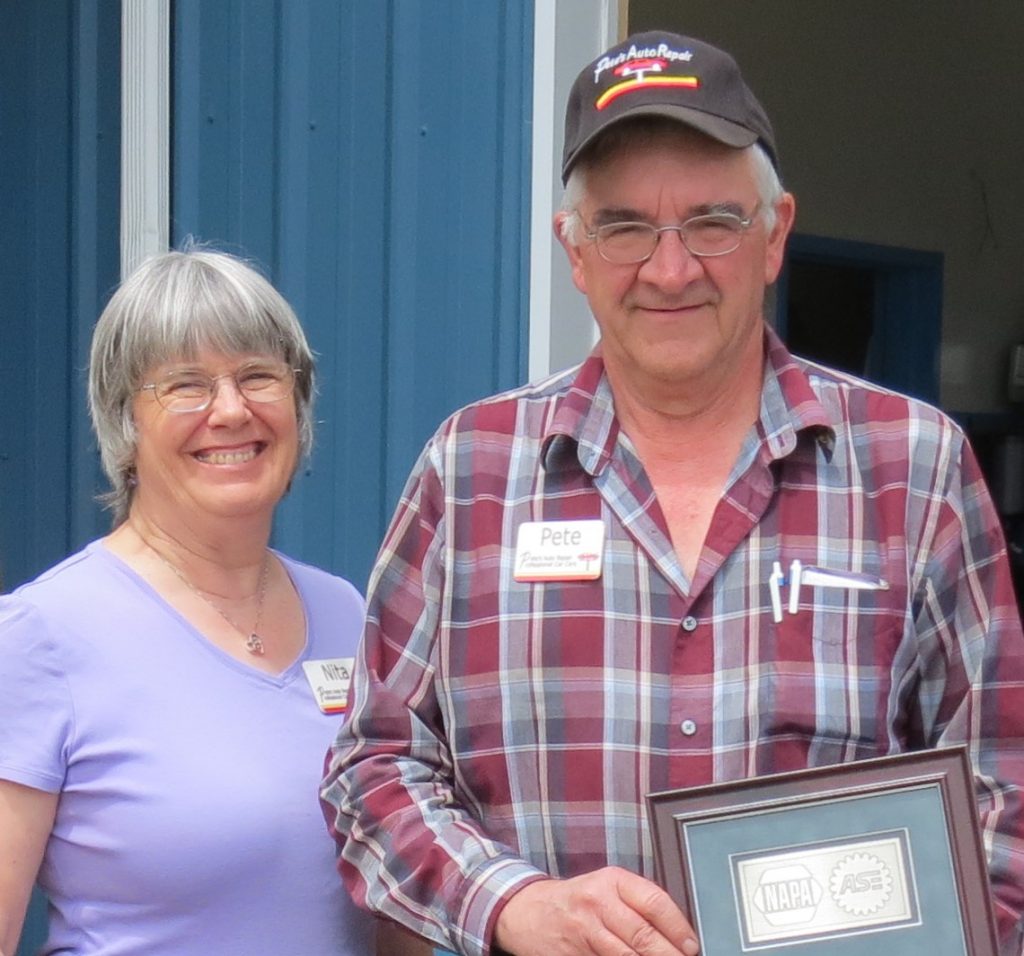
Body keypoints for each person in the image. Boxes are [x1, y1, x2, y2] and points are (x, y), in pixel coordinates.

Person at [320, 30, 1024, 956]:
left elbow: (1003, 795)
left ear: (774, 236)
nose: (670, 268)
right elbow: (374, 765)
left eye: (712, 221)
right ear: (574, 251)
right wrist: (512, 904)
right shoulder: (470, 471)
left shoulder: (913, 466)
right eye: (624, 227)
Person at [0, 247, 427, 956]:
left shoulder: (345, 612)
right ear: (123, 424)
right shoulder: (41, 637)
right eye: (185, 386)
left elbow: (392, 894)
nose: (230, 411)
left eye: (259, 376)